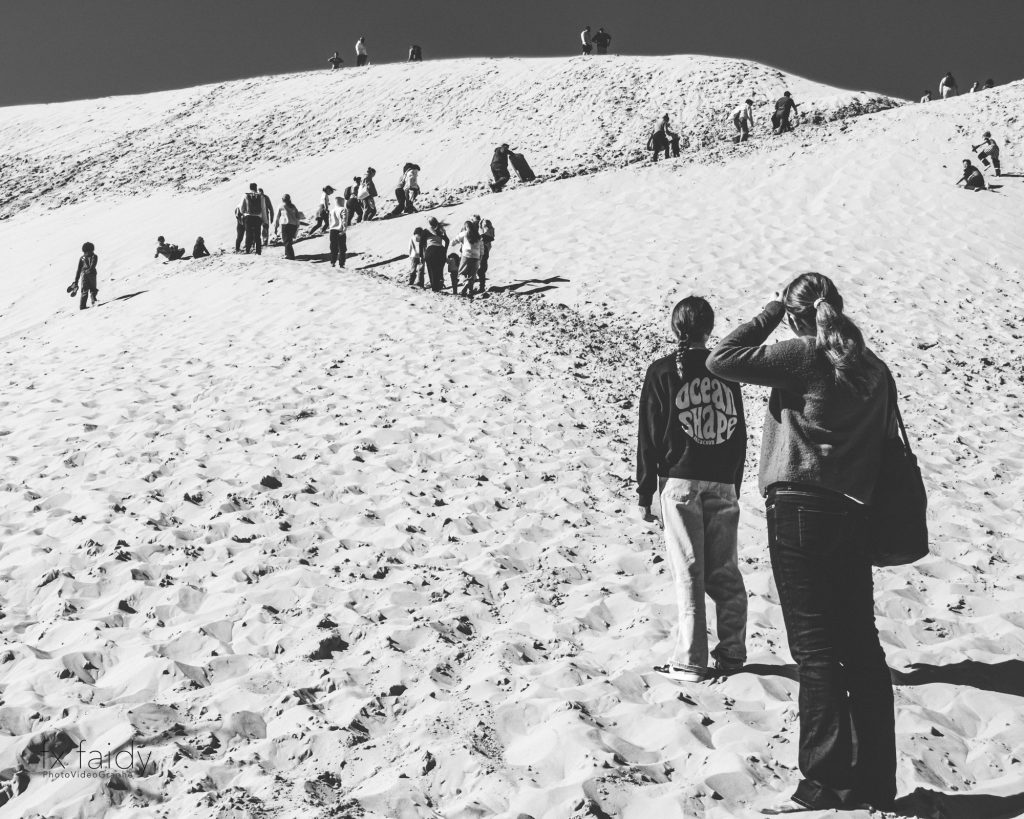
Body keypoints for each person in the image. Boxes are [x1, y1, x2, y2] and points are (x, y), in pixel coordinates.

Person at [705, 273, 898, 812]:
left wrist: (770, 311)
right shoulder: (873, 368)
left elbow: (721, 358)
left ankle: (823, 784)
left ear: (796, 315)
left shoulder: (805, 355)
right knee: (862, 649)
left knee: (816, 653)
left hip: (799, 511)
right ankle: (875, 781)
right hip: (855, 514)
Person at [637, 296, 748, 683]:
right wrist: (734, 481)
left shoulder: (662, 371)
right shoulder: (725, 370)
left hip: (681, 481)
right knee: (725, 570)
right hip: (723, 481)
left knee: (689, 571)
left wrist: (645, 492)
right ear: (709, 329)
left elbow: (649, 436)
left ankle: (690, 659)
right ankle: (732, 652)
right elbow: (738, 432)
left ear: (675, 328)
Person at [454, 219, 484, 297]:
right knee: (472, 275)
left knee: (461, 273)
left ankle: (465, 282)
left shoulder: (464, 233)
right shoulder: (478, 236)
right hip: (476, 257)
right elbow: (482, 249)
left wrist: (453, 243)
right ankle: (469, 292)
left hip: (466, 255)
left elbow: (455, 240)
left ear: (466, 227)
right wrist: (480, 259)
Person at [69, 242, 99, 310]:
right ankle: (93, 301)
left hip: (84, 275)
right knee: (92, 289)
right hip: (91, 275)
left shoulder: (82, 258)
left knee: (84, 290)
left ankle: (83, 306)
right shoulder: (94, 256)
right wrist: (76, 280)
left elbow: (79, 270)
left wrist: (76, 280)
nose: (86, 253)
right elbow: (93, 265)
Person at [239, 183, 267, 254]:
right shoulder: (261, 196)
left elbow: (241, 208)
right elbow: (263, 209)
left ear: (250, 188)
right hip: (258, 218)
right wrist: (265, 221)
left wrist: (244, 213)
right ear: (256, 188)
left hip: (248, 218)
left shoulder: (245, 195)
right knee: (257, 235)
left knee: (248, 234)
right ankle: (258, 251)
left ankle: (247, 250)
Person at [423, 217, 449, 292]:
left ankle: (434, 288)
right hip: (441, 250)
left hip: (431, 250)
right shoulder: (441, 230)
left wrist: (423, 254)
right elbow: (447, 240)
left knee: (431, 270)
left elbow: (422, 243)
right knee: (439, 269)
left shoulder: (426, 230)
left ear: (429, 223)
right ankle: (439, 284)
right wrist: (445, 250)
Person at [275, 194, 303, 260]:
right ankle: (287, 254)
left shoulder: (281, 206)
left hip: (286, 225)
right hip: (294, 225)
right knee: (289, 241)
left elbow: (277, 217)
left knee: (286, 241)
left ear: (282, 199)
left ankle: (291, 257)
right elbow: (298, 216)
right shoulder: (293, 206)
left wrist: (275, 227)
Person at [328, 195, 348, 266]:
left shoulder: (332, 210)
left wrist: (330, 228)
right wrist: (344, 229)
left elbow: (329, 221)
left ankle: (332, 262)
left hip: (332, 230)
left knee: (333, 247)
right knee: (342, 248)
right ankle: (341, 264)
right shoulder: (343, 209)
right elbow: (344, 220)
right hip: (340, 230)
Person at [478, 217, 495, 292]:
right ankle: (481, 286)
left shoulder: (485, 235)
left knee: (481, 270)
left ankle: (481, 287)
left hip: (482, 252)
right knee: (481, 270)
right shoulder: (488, 234)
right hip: (484, 252)